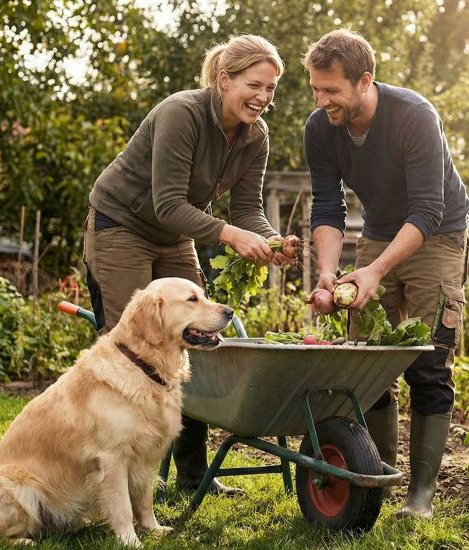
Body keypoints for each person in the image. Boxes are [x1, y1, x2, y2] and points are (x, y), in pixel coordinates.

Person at [84, 34, 295, 496]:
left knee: (195, 337)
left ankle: (194, 475)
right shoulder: (182, 113)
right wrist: (230, 235)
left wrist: (269, 239)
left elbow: (247, 209)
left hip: (174, 233)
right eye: (254, 85)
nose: (263, 97)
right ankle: (123, 474)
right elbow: (167, 203)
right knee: (131, 348)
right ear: (224, 80)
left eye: (270, 89)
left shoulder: (255, 136)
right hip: (122, 225)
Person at [302, 29, 469, 518]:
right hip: (379, 231)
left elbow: (428, 209)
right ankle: (378, 477)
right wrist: (328, 273)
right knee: (367, 363)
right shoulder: (320, 128)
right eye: (316, 89)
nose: (322, 101)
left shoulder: (414, 116)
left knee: (428, 362)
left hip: (436, 233)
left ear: (365, 81)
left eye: (332, 90)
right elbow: (328, 206)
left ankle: (420, 495)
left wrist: (374, 271)